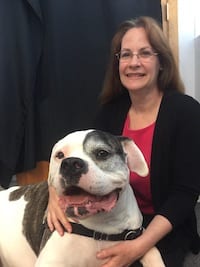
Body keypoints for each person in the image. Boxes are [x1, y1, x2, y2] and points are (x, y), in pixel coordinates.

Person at [47, 16, 200, 267]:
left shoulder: (186, 112)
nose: (134, 63)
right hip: (111, 216)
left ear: (161, 61)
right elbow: (71, 152)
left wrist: (138, 246)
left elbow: (185, 195)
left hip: (161, 225)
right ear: (117, 63)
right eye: (126, 55)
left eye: (145, 53)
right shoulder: (110, 112)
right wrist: (53, 194)